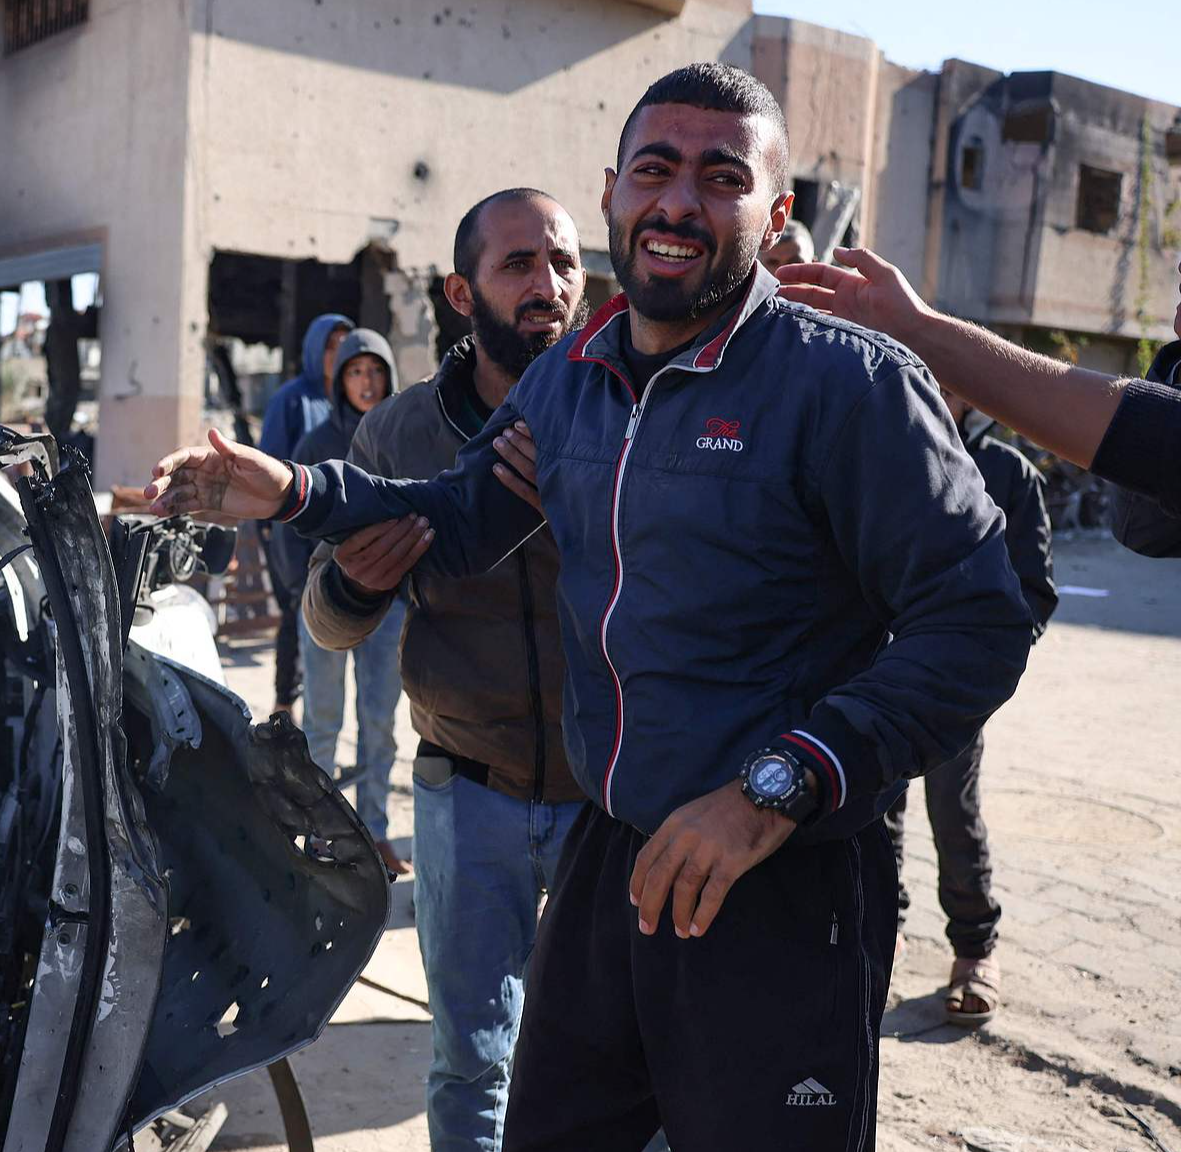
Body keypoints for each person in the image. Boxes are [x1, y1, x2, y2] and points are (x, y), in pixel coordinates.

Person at [144, 63, 1032, 1149]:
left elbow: (976, 619)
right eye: (653, 171)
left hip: (780, 872)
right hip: (615, 857)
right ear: (612, 188)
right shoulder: (573, 376)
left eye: (720, 178)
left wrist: (775, 786)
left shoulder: (845, 386)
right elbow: (458, 513)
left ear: (775, 211)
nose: (676, 203)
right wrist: (294, 490)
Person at [301, 189, 587, 1150]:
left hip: (616, 799)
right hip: (467, 792)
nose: (547, 286)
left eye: (563, 263)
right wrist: (353, 587)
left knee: (624, 1058)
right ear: (463, 293)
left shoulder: (631, 413)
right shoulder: (400, 434)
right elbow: (326, 623)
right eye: (519, 265)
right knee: (472, 1058)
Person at [778, 249, 1181, 554]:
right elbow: (1144, 521)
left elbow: (1156, 441)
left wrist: (918, 332)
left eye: (945, 388)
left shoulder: (1007, 472)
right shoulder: (868, 454)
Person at [887, 389, 1057, 1028]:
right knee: (876, 810)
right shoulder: (892, 450)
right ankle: (882, 937)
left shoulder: (1011, 473)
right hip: (877, 669)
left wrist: (982, 667)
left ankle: (974, 949)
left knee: (951, 808)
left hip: (955, 681)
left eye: (955, 377)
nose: (942, 388)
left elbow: (1034, 590)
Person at [284, 327, 408, 872]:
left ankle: (375, 831)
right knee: (324, 721)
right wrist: (299, 590)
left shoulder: (403, 440)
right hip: (325, 607)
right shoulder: (315, 445)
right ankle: (323, 833)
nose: (367, 381)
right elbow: (286, 523)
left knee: (379, 722)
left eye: (375, 371)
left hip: (390, 607)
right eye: (356, 372)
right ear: (340, 382)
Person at [258, 313, 353, 712]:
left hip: (333, 534)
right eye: (331, 346)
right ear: (315, 350)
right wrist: (271, 525)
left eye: (344, 346)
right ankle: (284, 708)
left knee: (325, 618)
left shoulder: (350, 399)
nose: (338, 355)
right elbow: (270, 467)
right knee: (295, 615)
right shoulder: (292, 399)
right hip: (291, 532)